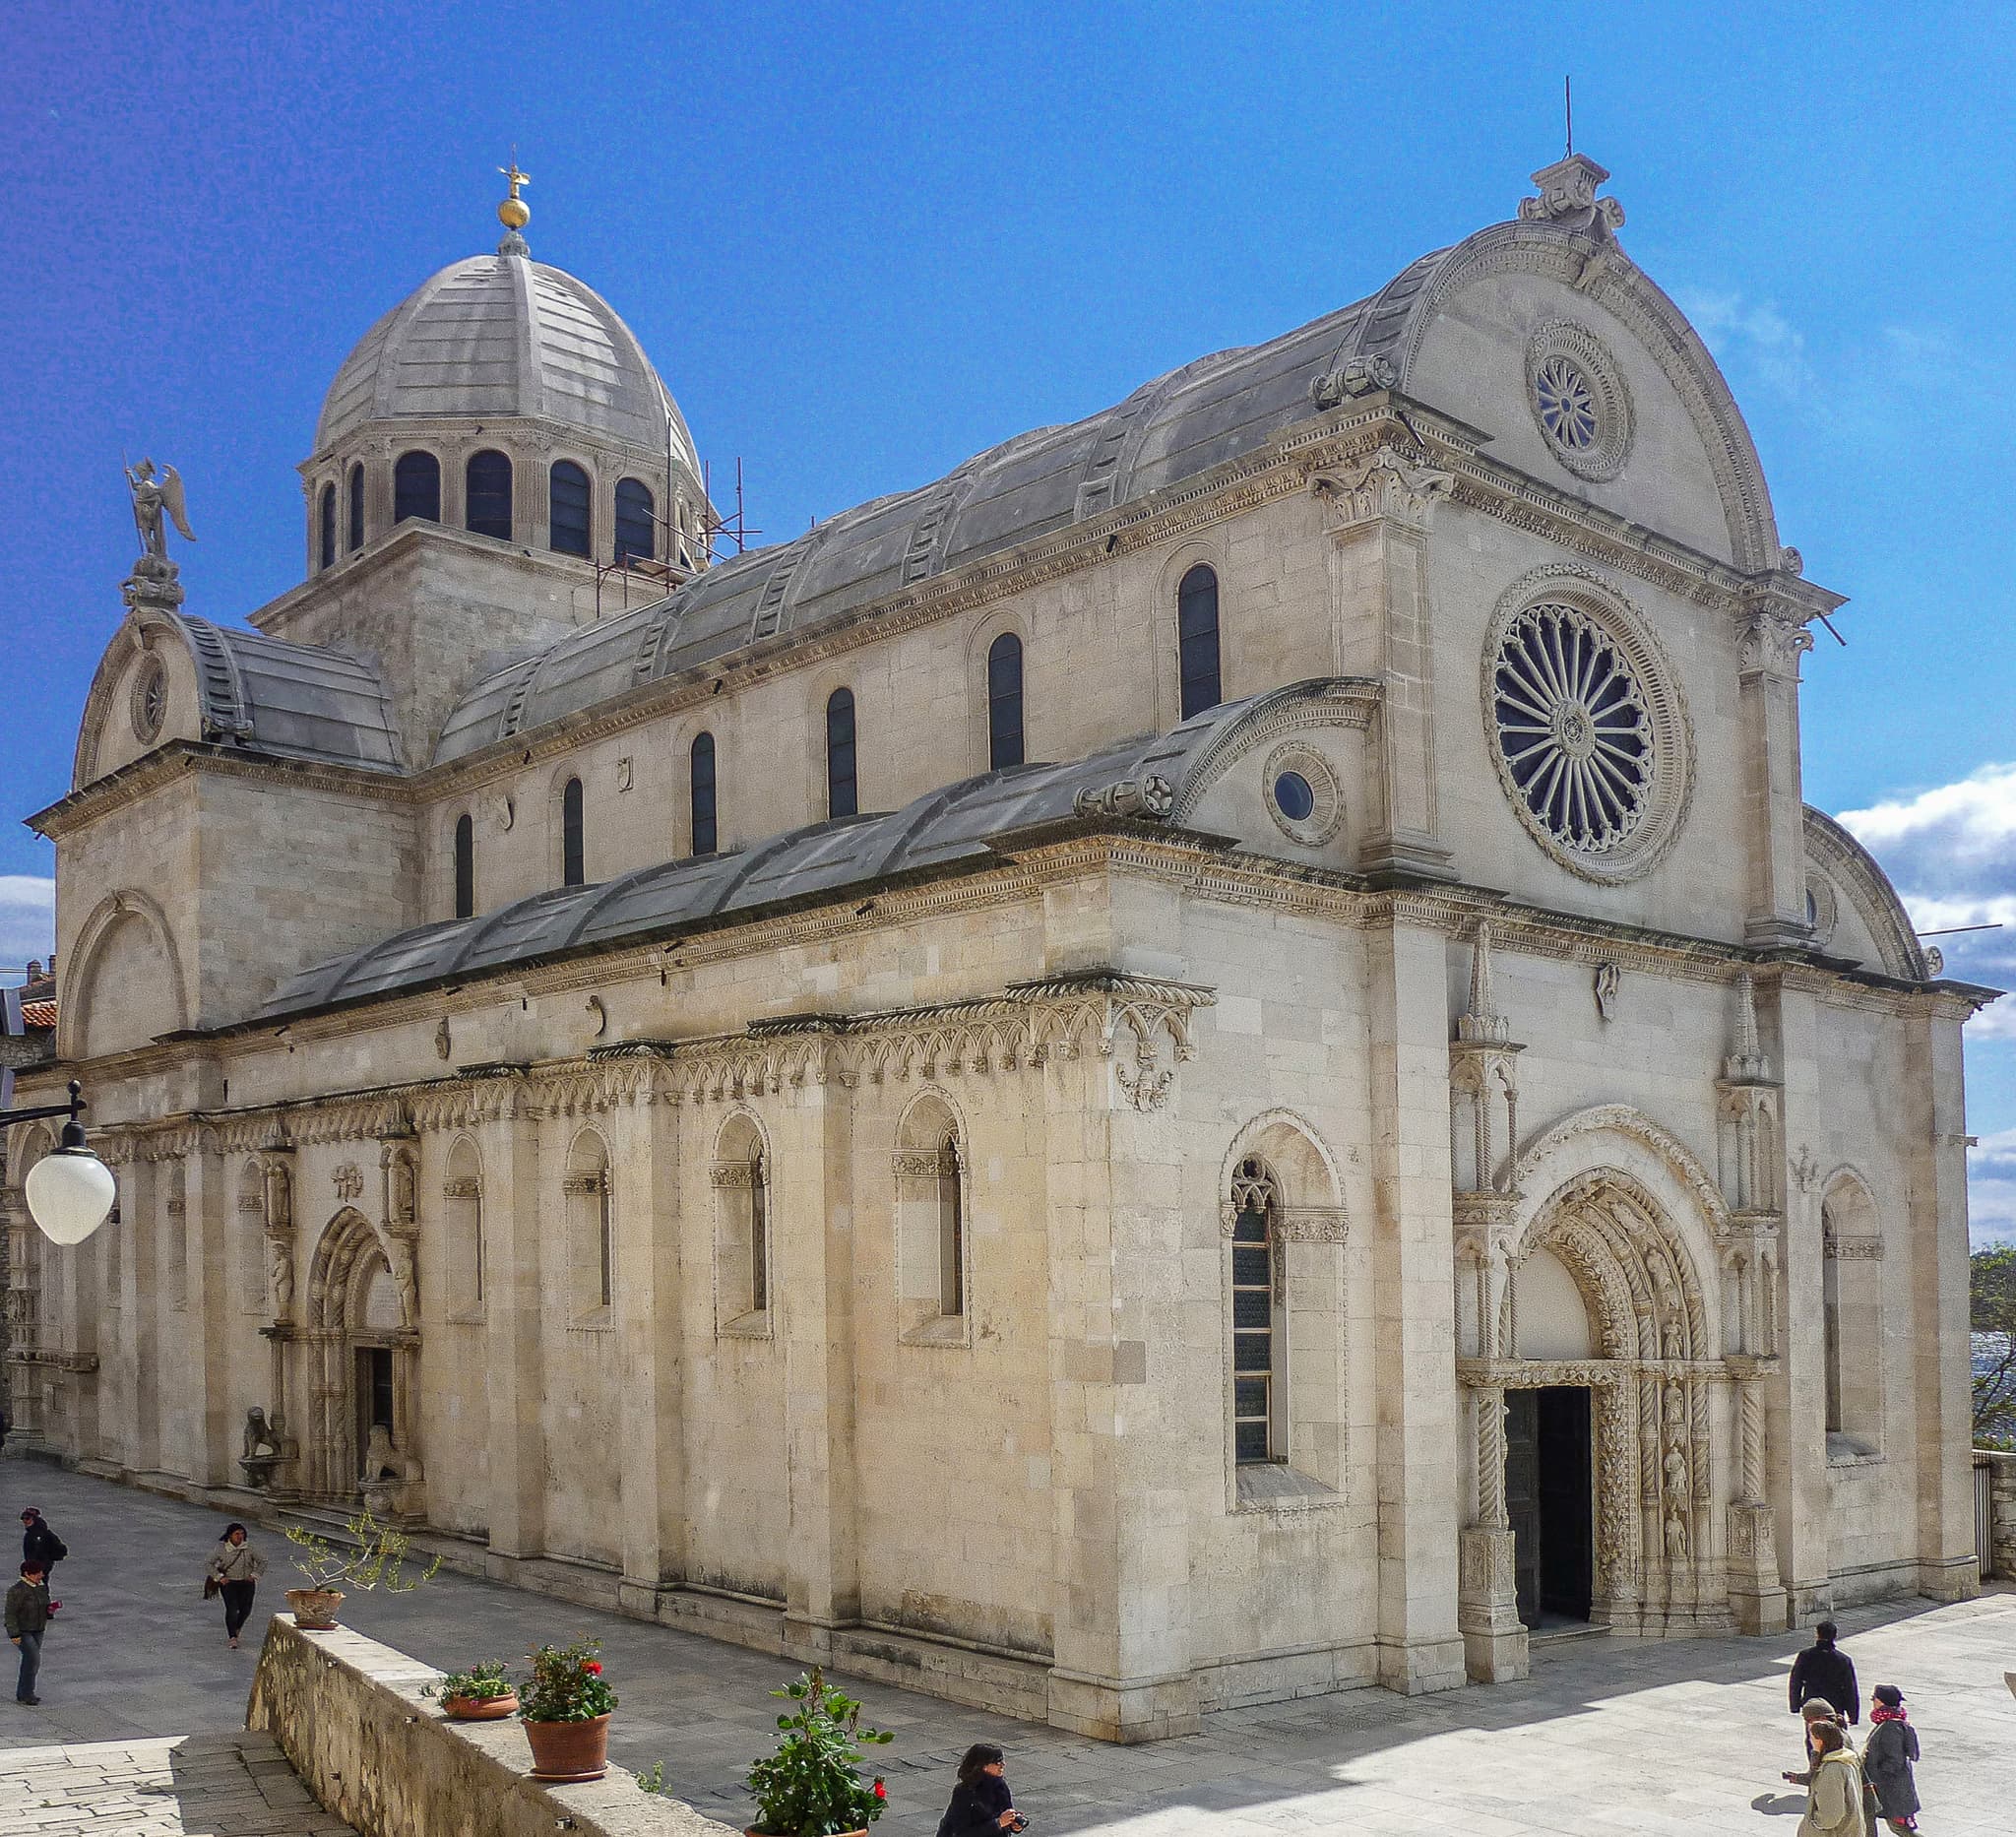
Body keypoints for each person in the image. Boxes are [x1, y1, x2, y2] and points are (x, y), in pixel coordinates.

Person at [1862, 1684, 1920, 1832]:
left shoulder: (1890, 1727)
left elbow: (1895, 1759)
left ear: (1881, 1702)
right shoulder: (1891, 1722)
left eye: (1874, 1698)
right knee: (1870, 1820)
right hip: (1889, 1786)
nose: (1873, 1702)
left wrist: (1876, 1774)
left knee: (1899, 1827)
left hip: (1890, 1787)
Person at [936, 1744, 1024, 1837]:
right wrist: (998, 1823)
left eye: (1002, 1760)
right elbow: (961, 1832)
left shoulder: (1000, 1786)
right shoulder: (964, 1792)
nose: (1003, 1765)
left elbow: (1006, 1812)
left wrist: (1013, 1824)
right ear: (983, 1766)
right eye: (998, 1762)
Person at [1796, 1720, 1865, 1837]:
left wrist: (1815, 1823)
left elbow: (1831, 1816)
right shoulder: (1846, 1760)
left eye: (1811, 1737)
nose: (1810, 1741)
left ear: (1819, 1740)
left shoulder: (1832, 1770)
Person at [1789, 1621, 1859, 1729]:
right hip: (1834, 1706)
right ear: (1835, 1636)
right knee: (1835, 1737)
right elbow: (1850, 1689)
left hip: (1813, 1704)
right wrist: (1853, 1715)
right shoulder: (1843, 1660)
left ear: (1817, 1634)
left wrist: (1795, 1705)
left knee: (1813, 1738)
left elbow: (1795, 1681)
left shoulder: (1806, 1656)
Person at [207, 1523, 266, 1650]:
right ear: (230, 1536)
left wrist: (254, 1575)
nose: (240, 1536)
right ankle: (232, 1636)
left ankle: (237, 1627)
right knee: (232, 1609)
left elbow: (263, 1561)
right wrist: (220, 1577)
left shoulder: (249, 1548)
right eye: (237, 1534)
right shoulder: (221, 1548)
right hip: (229, 1583)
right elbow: (208, 1563)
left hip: (246, 1582)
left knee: (246, 1609)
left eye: (242, 1533)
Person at [4, 1557, 50, 1705]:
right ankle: (28, 1693)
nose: (41, 1575)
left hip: (38, 1629)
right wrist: (14, 1634)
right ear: (27, 1574)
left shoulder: (41, 1587)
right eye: (38, 1573)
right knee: (34, 1660)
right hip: (24, 1631)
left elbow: (44, 1603)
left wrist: (49, 1609)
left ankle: (22, 1693)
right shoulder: (17, 1590)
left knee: (29, 1661)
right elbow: (10, 1613)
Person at [1782, 1697, 1841, 1786]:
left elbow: (1817, 1778)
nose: (1808, 1725)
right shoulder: (1833, 1735)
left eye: (1809, 1720)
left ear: (1822, 1718)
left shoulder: (1830, 1741)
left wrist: (1816, 1750)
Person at [20, 1507, 65, 1589]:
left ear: (34, 1519)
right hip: (32, 1571)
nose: (25, 1521)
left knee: (38, 1593)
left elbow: (60, 1550)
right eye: (23, 1518)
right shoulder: (31, 1534)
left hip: (37, 1572)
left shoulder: (40, 1534)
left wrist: (43, 1567)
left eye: (27, 1518)